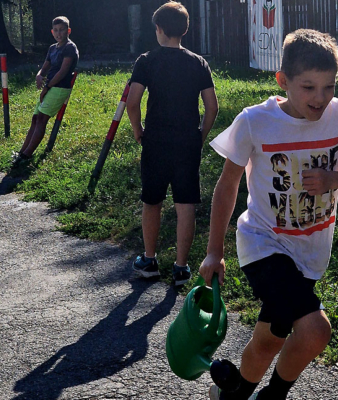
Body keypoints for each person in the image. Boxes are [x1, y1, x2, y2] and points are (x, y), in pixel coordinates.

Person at [199, 29, 338, 400]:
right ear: (283, 81)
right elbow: (227, 186)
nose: (320, 98)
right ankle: (273, 396)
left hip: (311, 252)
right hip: (262, 243)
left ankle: (233, 394)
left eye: (328, 87)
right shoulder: (255, 122)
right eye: (308, 87)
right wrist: (214, 252)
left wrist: (334, 178)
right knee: (316, 330)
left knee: (270, 338)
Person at [126, 1, 218, 286]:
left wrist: (138, 128)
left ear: (159, 29)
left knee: (151, 201)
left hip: (155, 140)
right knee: (185, 203)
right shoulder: (198, 62)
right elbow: (212, 107)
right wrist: (199, 136)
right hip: (187, 142)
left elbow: (133, 101)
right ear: (185, 29)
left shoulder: (147, 60)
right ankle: (181, 267)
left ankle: (150, 260)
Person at [11, 16, 78, 169]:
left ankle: (27, 155)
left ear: (68, 31)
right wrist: (39, 74)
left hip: (60, 87)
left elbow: (62, 72)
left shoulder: (70, 47)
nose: (58, 33)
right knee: (35, 119)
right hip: (50, 86)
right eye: (56, 30)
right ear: (52, 32)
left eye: (62, 30)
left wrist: (47, 87)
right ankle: (21, 152)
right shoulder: (52, 48)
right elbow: (46, 66)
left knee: (42, 119)